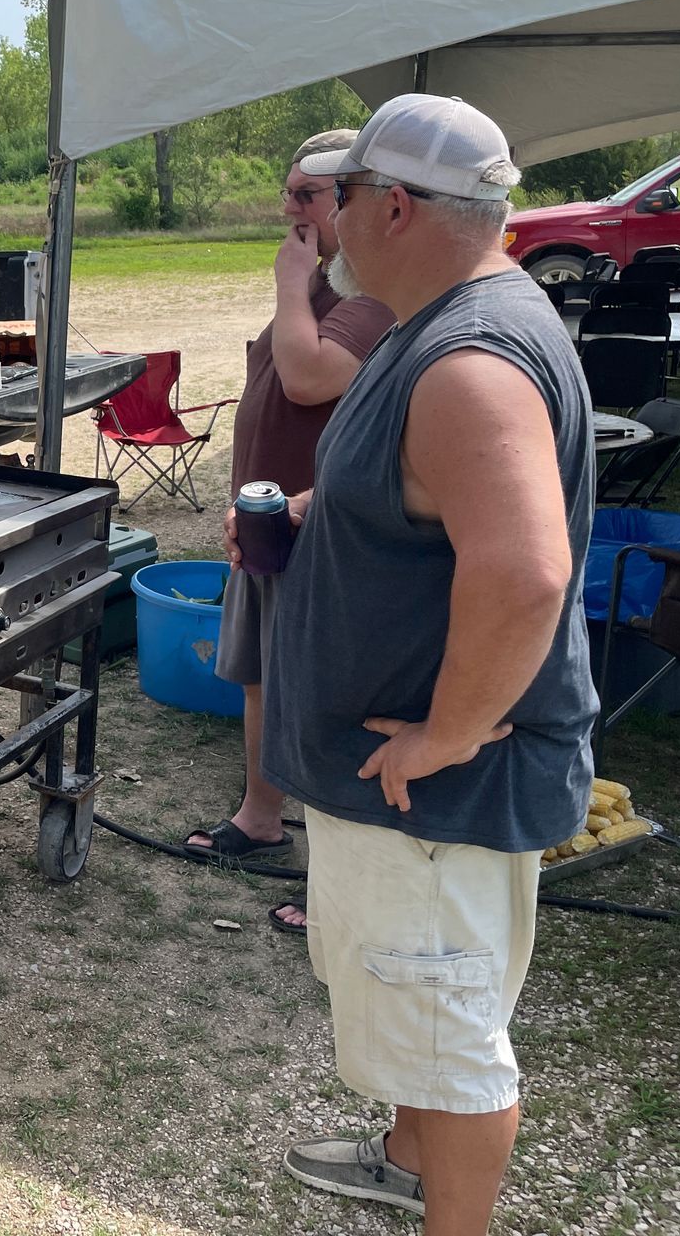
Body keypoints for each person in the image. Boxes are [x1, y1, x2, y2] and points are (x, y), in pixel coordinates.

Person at [230, 94, 595, 1235]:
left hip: (431, 790)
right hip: (389, 780)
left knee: (449, 1039)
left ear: (391, 205)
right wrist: (311, 508)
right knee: (405, 1011)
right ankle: (401, 1157)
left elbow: (526, 571)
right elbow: (428, 502)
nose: (325, 218)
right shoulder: (430, 323)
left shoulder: (469, 361)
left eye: (338, 196)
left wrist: (448, 728)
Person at [184, 129, 395, 942]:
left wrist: (288, 283)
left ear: (351, 200)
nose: (290, 212)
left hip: (329, 527)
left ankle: (336, 880)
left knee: (328, 694)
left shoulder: (373, 296)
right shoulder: (321, 287)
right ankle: (261, 816)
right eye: (288, 194)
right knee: (261, 676)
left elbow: (310, 376)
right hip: (269, 522)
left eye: (306, 196)